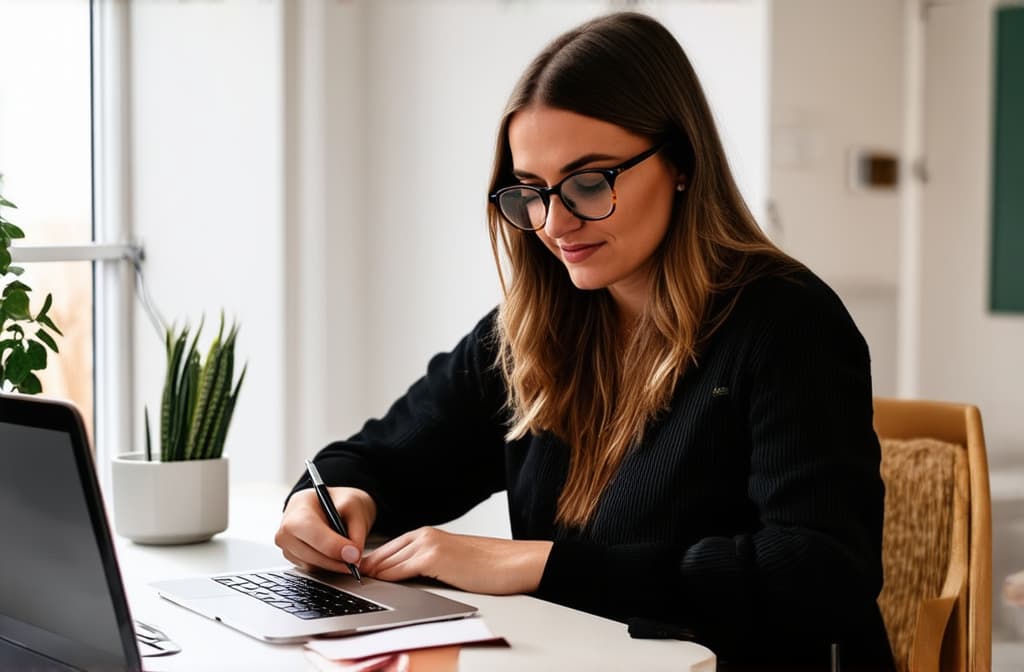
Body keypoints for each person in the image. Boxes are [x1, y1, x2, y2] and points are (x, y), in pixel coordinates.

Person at [276, 11, 895, 670]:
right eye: (532, 192)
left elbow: (819, 573)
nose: (555, 223)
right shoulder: (536, 327)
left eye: (590, 181)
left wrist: (544, 566)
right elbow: (378, 458)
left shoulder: (788, 323)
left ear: (681, 161)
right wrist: (335, 502)